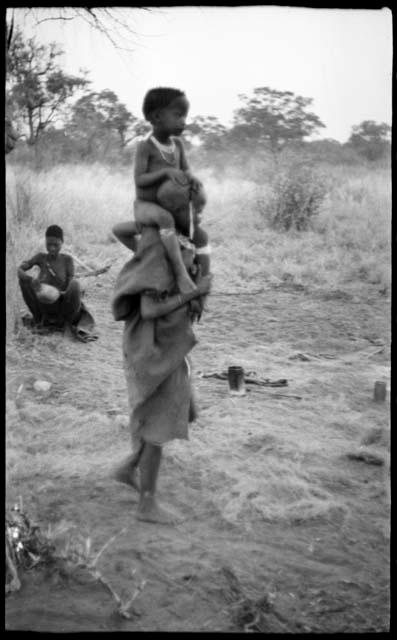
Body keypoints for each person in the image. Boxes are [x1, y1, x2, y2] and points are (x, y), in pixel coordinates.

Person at [111, 223, 212, 524]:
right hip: (150, 353)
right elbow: (150, 310)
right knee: (158, 422)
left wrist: (197, 289)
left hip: (169, 352)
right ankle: (147, 504)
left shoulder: (185, 266)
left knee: (188, 411)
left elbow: (200, 267)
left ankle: (129, 465)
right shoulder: (156, 264)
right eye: (190, 254)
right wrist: (155, 220)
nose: (195, 262)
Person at [133, 87, 211, 294]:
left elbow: (185, 169)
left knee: (200, 234)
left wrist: (191, 178)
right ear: (156, 116)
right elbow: (140, 180)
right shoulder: (146, 146)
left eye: (185, 116)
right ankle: (180, 275)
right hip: (146, 206)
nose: (183, 121)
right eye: (178, 115)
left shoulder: (178, 145)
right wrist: (165, 172)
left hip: (174, 203)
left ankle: (202, 277)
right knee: (165, 220)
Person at [17, 225, 96, 340]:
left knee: (75, 284)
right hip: (43, 307)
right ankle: (39, 319)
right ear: (45, 242)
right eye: (48, 244)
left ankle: (64, 323)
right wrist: (31, 280)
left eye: (56, 245)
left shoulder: (67, 260)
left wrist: (56, 293)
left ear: (62, 242)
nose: (52, 248)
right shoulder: (40, 257)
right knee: (23, 281)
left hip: (62, 307)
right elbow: (20, 269)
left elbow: (70, 284)